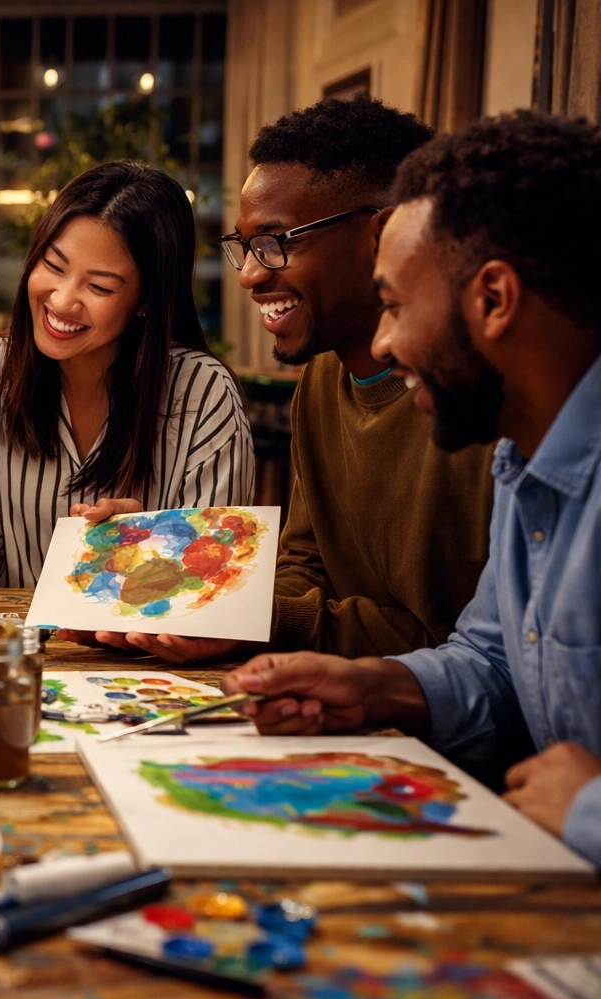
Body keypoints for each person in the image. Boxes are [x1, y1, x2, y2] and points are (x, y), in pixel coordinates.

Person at [224, 112, 601, 862]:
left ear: (493, 300)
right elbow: (488, 663)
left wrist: (589, 808)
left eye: (395, 305)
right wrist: (371, 689)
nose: (386, 342)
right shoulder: (518, 461)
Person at [96, 98, 495, 664]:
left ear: (383, 234)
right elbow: (305, 565)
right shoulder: (324, 377)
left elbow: (471, 649)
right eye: (244, 247)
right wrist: (181, 588)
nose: (252, 274)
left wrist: (265, 619)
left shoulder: (479, 403)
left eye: (277, 241)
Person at [0, 161, 252, 588]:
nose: (61, 300)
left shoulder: (204, 393)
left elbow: (214, 581)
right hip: (26, 645)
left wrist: (151, 547)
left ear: (147, 301)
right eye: (53, 265)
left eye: (99, 287)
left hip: (145, 649)